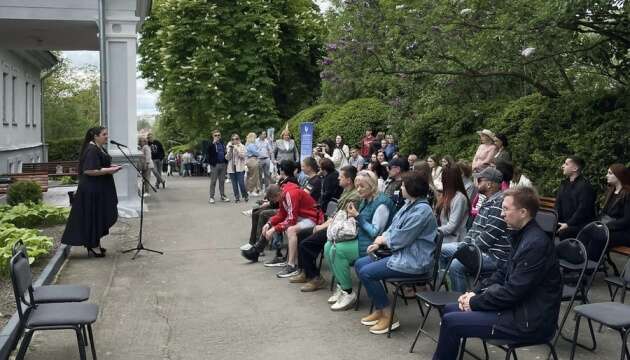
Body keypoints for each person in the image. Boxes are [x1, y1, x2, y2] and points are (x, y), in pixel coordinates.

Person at [433, 187, 561, 360]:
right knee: (449, 309)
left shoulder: (535, 245)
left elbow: (513, 292)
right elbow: (502, 273)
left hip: (528, 320)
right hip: (516, 309)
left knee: (451, 322)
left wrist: (475, 302)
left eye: (506, 209)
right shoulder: (520, 235)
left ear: (523, 212)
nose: (501, 214)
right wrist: (474, 292)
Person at [356, 171, 437, 334]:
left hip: (414, 261)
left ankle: (389, 315)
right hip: (402, 254)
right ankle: (380, 309)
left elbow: (401, 238)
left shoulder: (422, 210)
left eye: (403, 185)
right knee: (360, 264)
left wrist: (381, 241)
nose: (401, 188)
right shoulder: (409, 204)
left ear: (411, 188)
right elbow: (393, 228)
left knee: (366, 272)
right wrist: (380, 240)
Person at [325, 170, 394, 311]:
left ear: (372, 186)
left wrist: (357, 216)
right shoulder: (366, 199)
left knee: (338, 250)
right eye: (357, 186)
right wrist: (352, 217)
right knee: (328, 246)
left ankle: (348, 293)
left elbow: (376, 232)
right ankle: (341, 285)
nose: (358, 189)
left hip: (374, 244)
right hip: (361, 238)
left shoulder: (382, 203)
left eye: (362, 186)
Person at [242, 160, 323, 278]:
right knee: (285, 226)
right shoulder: (284, 193)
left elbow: (291, 220)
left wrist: (274, 229)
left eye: (274, 201)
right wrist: (269, 224)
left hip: (313, 218)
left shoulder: (290, 195)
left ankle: (291, 265)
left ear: (277, 195)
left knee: (290, 229)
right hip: (304, 217)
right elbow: (281, 214)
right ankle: (286, 260)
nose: (275, 203)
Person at [440, 167, 509, 292]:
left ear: (489, 184)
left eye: (480, 180)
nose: (477, 183)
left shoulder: (499, 204)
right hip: (476, 248)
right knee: (441, 249)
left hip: (494, 256)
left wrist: (466, 249)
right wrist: (465, 244)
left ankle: (459, 299)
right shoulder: (488, 201)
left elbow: (489, 236)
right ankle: (455, 287)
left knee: (456, 265)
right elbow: (473, 228)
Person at [294, 166, 361, 291]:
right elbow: (335, 215)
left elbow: (341, 218)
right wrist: (321, 226)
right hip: (333, 225)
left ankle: (316, 278)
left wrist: (321, 227)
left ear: (349, 180)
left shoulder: (354, 196)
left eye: (341, 176)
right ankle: (305, 271)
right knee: (301, 234)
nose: (338, 178)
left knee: (306, 244)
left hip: (340, 230)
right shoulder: (346, 192)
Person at [61, 127, 121, 257]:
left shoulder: (98, 148)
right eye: (104, 134)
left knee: (97, 216)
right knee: (93, 216)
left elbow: (98, 166)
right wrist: (109, 171)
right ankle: (92, 245)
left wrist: (110, 168)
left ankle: (95, 243)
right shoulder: (91, 150)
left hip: (97, 189)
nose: (107, 136)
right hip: (91, 190)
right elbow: (88, 170)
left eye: (107, 134)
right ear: (95, 136)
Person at [555, 156, 597, 240]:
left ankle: (567, 253)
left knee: (565, 232)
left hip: (580, 224)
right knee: (544, 226)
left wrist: (568, 224)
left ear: (575, 168)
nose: (562, 166)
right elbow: (557, 205)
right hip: (564, 222)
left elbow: (583, 211)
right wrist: (554, 220)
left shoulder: (585, 187)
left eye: (566, 164)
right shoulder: (564, 184)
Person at [437, 166, 470, 243]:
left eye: (442, 178)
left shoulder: (459, 198)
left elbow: (452, 226)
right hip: (443, 237)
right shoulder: (446, 195)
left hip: (453, 240)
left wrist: (433, 231)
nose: (440, 180)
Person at [601, 164, 630, 248]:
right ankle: (586, 258)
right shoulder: (611, 191)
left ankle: (592, 260)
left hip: (624, 232)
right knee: (590, 232)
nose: (607, 175)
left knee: (599, 236)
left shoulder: (628, 194)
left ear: (619, 176)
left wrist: (606, 226)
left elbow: (626, 220)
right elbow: (604, 213)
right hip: (610, 227)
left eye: (610, 173)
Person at [207, 130, 230, 204]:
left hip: (223, 164)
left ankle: (223, 195)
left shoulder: (222, 144)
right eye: (215, 135)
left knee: (222, 181)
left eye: (218, 135)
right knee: (213, 181)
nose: (217, 137)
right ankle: (211, 197)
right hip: (215, 165)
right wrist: (213, 143)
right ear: (213, 136)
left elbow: (225, 152)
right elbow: (207, 151)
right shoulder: (211, 144)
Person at [226, 134, 248, 203]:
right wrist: (230, 150)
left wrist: (237, 149)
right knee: (234, 184)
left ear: (238, 139)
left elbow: (243, 156)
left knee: (241, 183)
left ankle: (245, 195)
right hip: (232, 168)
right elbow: (227, 158)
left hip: (240, 167)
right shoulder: (229, 146)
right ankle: (237, 197)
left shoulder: (242, 146)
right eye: (232, 139)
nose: (234, 140)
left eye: (236, 139)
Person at [244, 132, 261, 197]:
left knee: (249, 176)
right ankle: (251, 190)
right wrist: (259, 150)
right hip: (253, 159)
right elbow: (257, 153)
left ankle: (249, 190)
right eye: (255, 137)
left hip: (249, 160)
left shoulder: (247, 144)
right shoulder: (251, 145)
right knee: (254, 176)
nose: (256, 138)